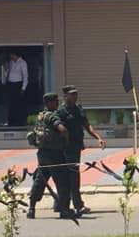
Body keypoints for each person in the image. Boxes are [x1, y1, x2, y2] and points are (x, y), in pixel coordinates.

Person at [57, 85, 106, 218]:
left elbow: (87, 125)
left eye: (76, 94)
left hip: (75, 148)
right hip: (65, 149)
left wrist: (98, 138)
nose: (75, 96)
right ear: (65, 96)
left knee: (72, 177)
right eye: (72, 94)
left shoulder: (78, 109)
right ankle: (77, 205)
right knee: (71, 177)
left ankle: (63, 204)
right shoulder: (60, 111)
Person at [27, 93, 71, 219]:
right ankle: (64, 210)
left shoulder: (41, 115)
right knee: (63, 181)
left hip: (42, 153)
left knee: (40, 181)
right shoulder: (52, 116)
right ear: (49, 103)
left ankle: (31, 208)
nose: (58, 103)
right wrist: (66, 141)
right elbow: (63, 129)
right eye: (55, 101)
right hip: (54, 153)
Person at [1, 51, 28, 126]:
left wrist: (23, 88)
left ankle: (19, 122)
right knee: (10, 104)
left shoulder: (22, 63)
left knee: (18, 105)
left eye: (11, 55)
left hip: (18, 85)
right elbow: (7, 73)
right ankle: (10, 122)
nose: (10, 56)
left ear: (14, 54)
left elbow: (25, 76)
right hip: (11, 84)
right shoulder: (11, 62)